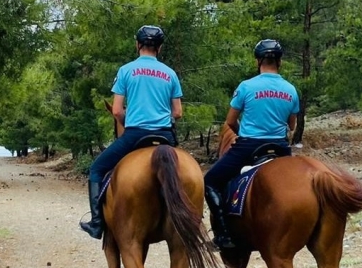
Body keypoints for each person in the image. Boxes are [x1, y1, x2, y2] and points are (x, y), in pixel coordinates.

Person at [79, 25, 183, 239]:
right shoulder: (170, 74)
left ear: (137, 44)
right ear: (159, 48)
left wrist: (130, 119)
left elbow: (116, 110)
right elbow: (178, 112)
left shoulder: (126, 70)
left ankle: (97, 223)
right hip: (165, 136)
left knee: (97, 169)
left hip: (135, 135)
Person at [204, 39, 299, 249]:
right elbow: (291, 126)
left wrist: (242, 134)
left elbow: (229, 121)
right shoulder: (291, 90)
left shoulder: (246, 87)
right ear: (279, 61)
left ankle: (222, 235)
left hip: (249, 146)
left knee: (210, 180)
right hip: (281, 148)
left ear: (258, 61)